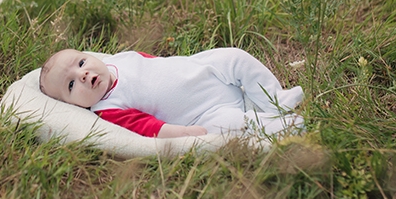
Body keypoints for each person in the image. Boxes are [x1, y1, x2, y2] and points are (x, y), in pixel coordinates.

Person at [38, 48, 305, 139]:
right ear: (73, 105)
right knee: (231, 127)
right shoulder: (107, 109)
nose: (82, 75)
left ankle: (274, 99)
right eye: (71, 85)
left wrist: (184, 64)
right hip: (203, 114)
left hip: (204, 72)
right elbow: (148, 128)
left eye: (81, 63)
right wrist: (184, 133)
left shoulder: (118, 60)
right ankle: (278, 126)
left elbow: (154, 62)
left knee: (235, 57)